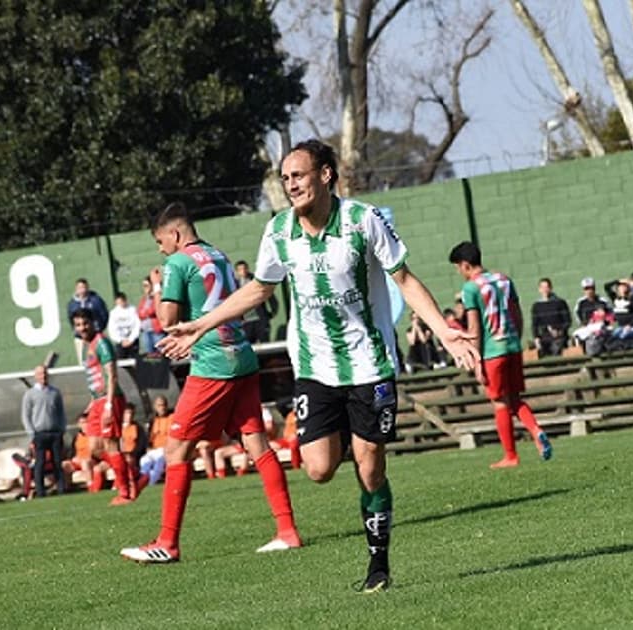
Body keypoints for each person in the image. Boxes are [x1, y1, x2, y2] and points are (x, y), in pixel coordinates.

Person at [156, 140, 480, 592]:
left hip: (369, 364)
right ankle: (351, 433)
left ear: (325, 175)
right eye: (286, 178)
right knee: (318, 469)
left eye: (299, 175)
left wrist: (445, 331)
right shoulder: (279, 231)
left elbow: (403, 279)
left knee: (370, 470)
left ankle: (378, 563)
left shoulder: (363, 221)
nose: (291, 184)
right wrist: (200, 325)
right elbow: (259, 290)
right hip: (314, 367)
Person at [120, 201, 302, 565]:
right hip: (242, 355)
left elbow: (167, 320)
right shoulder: (217, 254)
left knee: (176, 451)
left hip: (213, 362)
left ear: (174, 234)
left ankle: (168, 544)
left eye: (160, 241)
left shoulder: (177, 263)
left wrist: (157, 288)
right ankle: (287, 532)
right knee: (257, 443)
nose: (161, 250)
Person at [450, 241, 553, 469]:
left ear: (466, 265)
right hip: (513, 347)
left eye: (458, 267)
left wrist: (476, 359)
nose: (459, 272)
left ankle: (510, 456)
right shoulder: (504, 279)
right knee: (515, 398)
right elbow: (517, 314)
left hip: (492, 352)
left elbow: (475, 328)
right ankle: (536, 430)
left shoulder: (470, 288)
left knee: (499, 402)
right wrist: (516, 340)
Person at [72, 308, 135, 505]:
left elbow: (112, 374)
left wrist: (108, 404)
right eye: (78, 325)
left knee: (111, 445)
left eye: (85, 323)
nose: (82, 328)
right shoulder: (87, 346)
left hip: (110, 399)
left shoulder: (102, 343)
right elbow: (95, 377)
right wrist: (92, 404)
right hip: (97, 401)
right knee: (95, 448)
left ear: (93, 323)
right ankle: (133, 475)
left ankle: (124, 492)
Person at [21, 365, 67, 498]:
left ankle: (61, 488)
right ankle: (41, 492)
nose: (43, 376)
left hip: (55, 432)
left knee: (57, 462)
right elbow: (26, 415)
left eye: (45, 374)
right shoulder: (30, 394)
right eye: (40, 374)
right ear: (36, 376)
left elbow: (60, 412)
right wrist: (31, 433)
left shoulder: (55, 392)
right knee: (40, 463)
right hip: (39, 433)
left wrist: (62, 428)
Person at [234, 260, 278, 343]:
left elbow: (270, 296)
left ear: (248, 269)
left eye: (245, 268)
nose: (243, 271)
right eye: (240, 270)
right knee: (248, 345)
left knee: (265, 342)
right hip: (246, 321)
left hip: (260, 319)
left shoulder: (256, 281)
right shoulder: (234, 285)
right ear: (237, 272)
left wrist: (271, 313)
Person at [530, 277, 571, 357]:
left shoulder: (560, 303)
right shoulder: (536, 306)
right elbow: (534, 325)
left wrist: (559, 331)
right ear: (539, 289)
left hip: (559, 337)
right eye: (542, 287)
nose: (545, 290)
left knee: (556, 348)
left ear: (551, 288)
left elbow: (567, 321)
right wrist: (536, 338)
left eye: (547, 287)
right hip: (544, 336)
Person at [603, 279, 633, 351]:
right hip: (621, 327)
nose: (622, 289)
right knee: (612, 338)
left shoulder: (632, 299)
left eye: (624, 287)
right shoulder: (615, 299)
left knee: (623, 336)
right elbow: (606, 287)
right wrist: (617, 281)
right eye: (620, 287)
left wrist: (630, 325)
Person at [138, 395, 170, 485]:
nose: (162, 408)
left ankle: (150, 483)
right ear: (155, 407)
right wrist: (148, 447)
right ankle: (142, 480)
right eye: (159, 406)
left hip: (166, 449)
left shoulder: (172, 418)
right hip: (154, 449)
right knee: (144, 460)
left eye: (163, 405)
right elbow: (148, 438)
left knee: (159, 462)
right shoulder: (152, 420)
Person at [107, 292, 142, 359]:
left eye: (122, 301)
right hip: (120, 343)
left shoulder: (133, 310)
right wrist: (120, 340)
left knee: (135, 361)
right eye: (118, 302)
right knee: (121, 362)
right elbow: (112, 329)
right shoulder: (113, 313)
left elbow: (137, 325)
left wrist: (131, 339)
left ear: (125, 300)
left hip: (133, 342)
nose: (121, 304)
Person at [137, 276, 165, 356]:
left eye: (146, 286)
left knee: (161, 353)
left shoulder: (159, 297)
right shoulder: (144, 299)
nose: (144, 288)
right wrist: (144, 313)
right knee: (150, 354)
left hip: (156, 331)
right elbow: (139, 313)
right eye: (143, 286)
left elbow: (155, 310)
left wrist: (145, 313)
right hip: (146, 330)